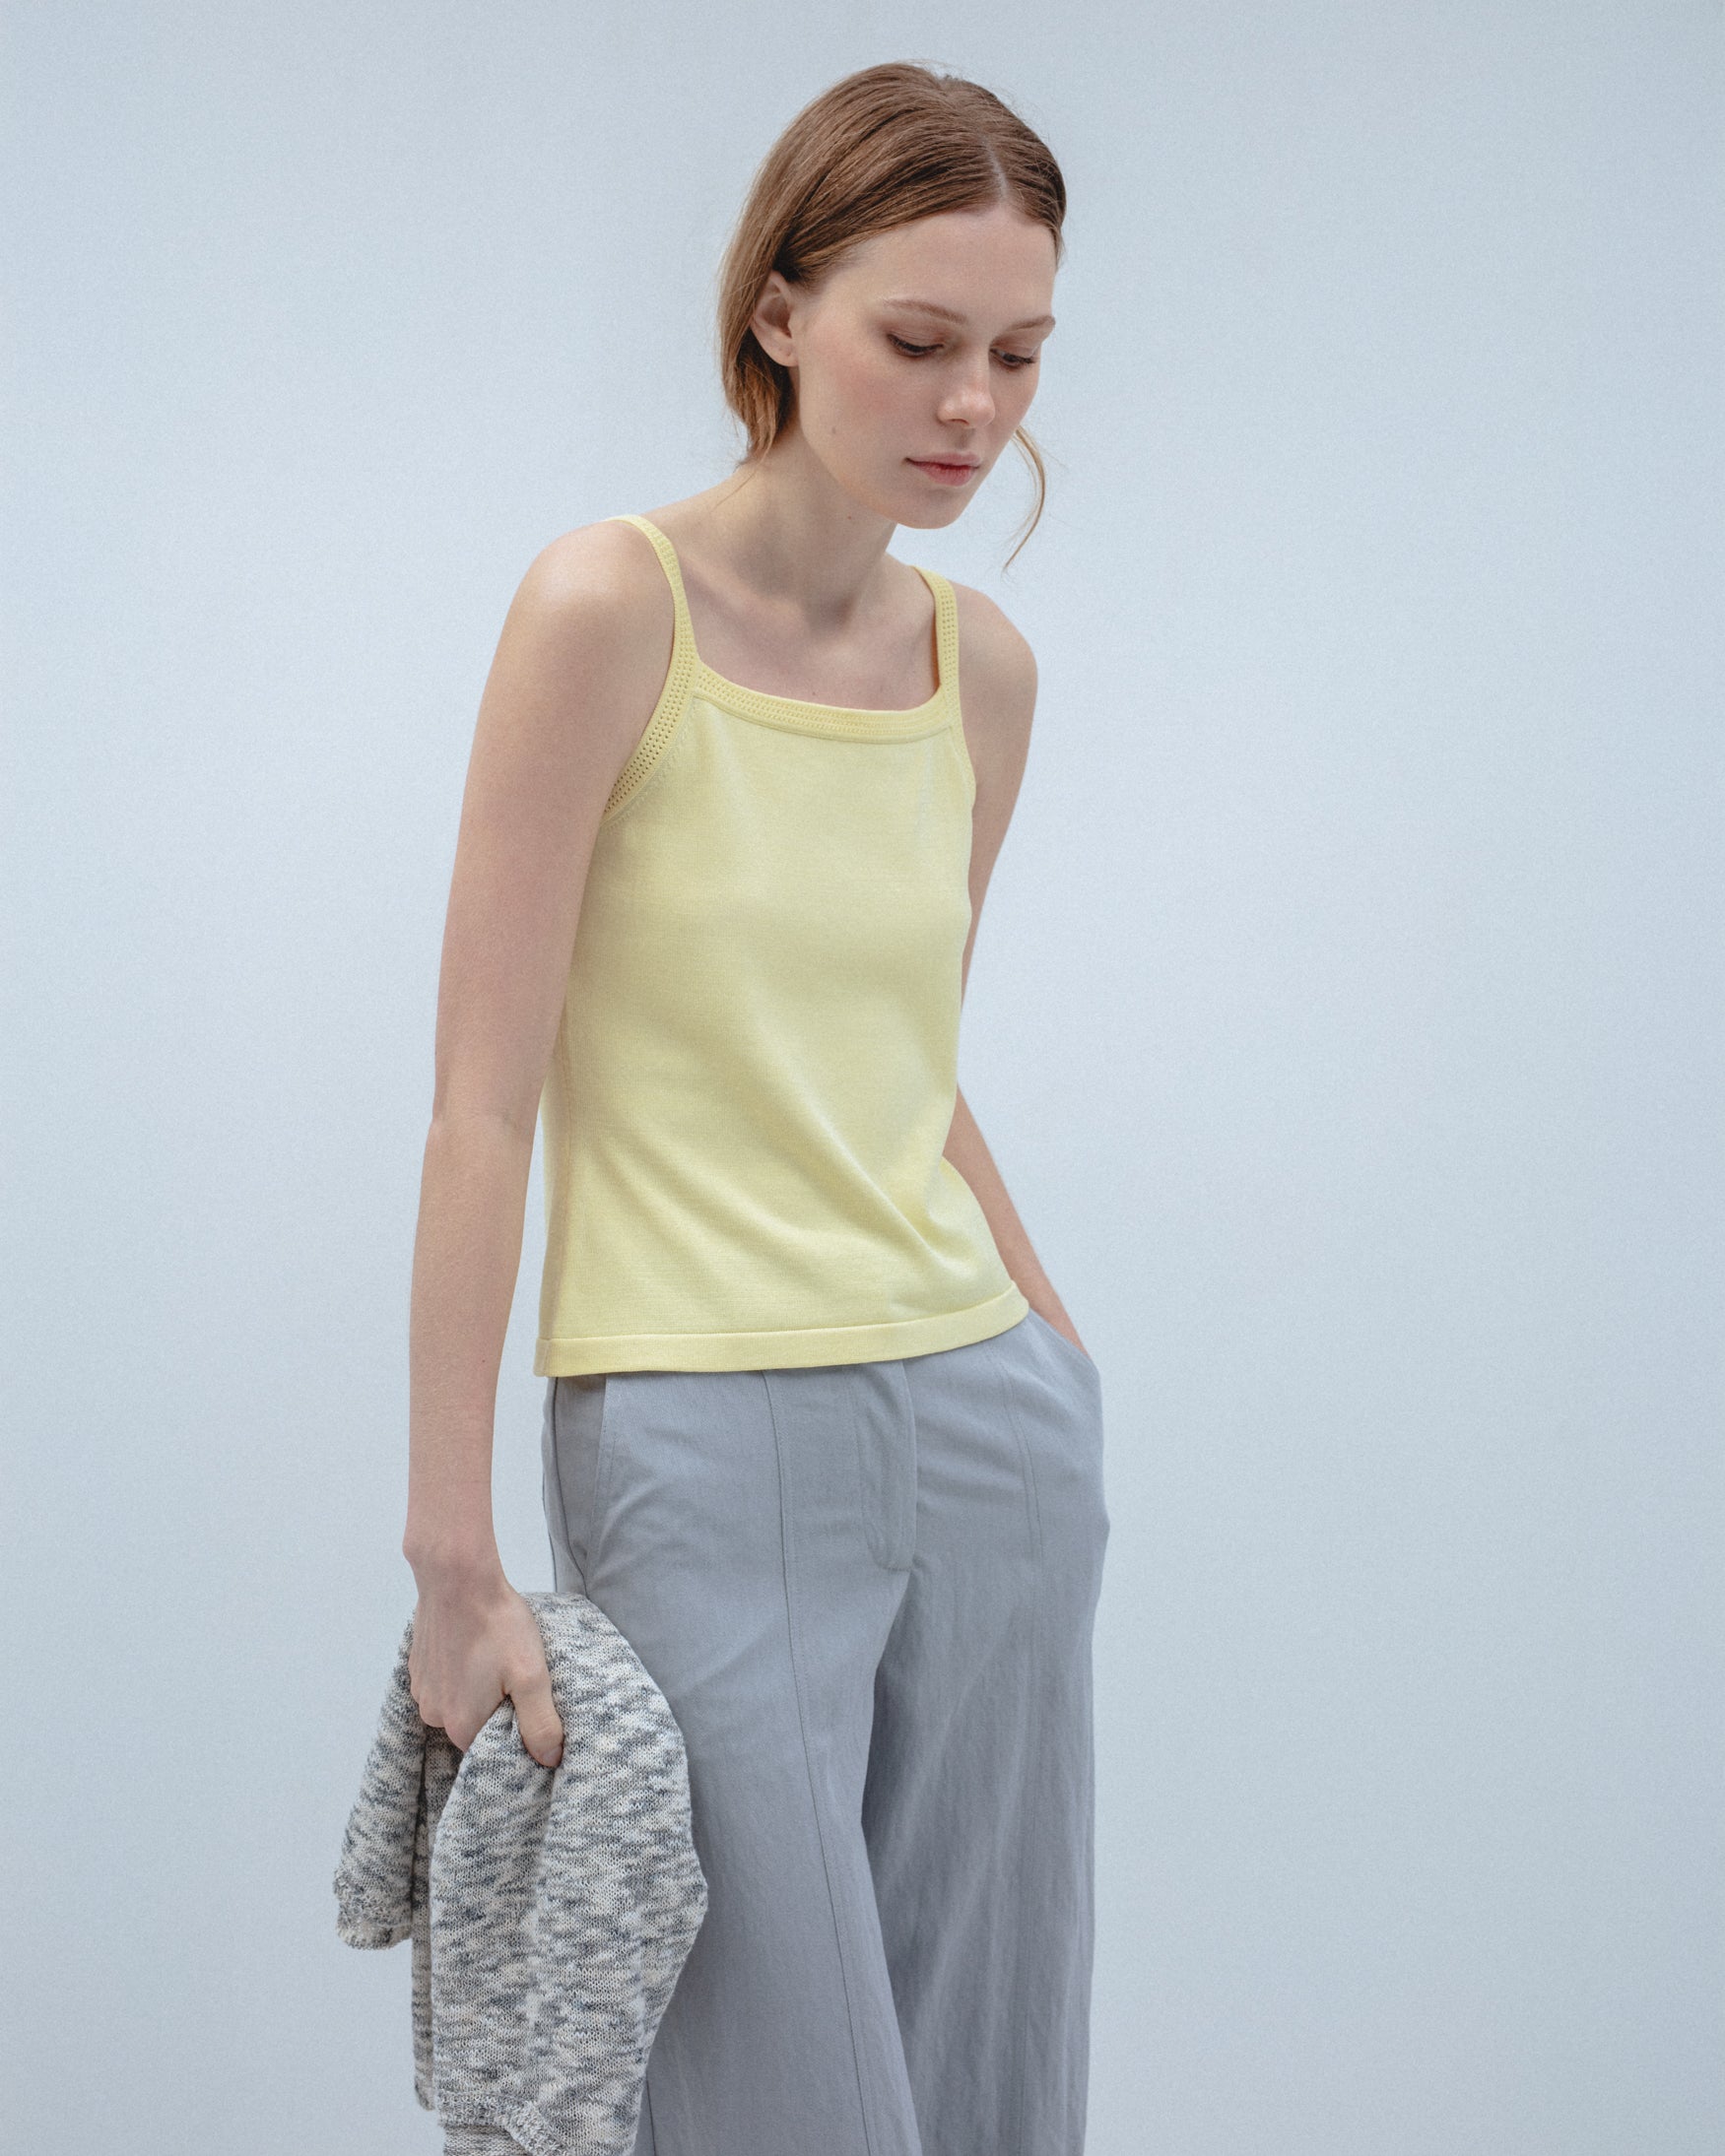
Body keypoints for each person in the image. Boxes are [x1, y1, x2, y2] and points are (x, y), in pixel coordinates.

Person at [400, 59, 1110, 2156]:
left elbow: (914, 1065)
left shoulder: (984, 672)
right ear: (780, 311)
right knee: (768, 2096)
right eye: (920, 339)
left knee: (994, 2080)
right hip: (699, 1433)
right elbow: (479, 1105)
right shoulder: (605, 608)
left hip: (987, 1430)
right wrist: (453, 1551)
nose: (972, 404)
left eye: (1017, 355)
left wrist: (1059, 1358)